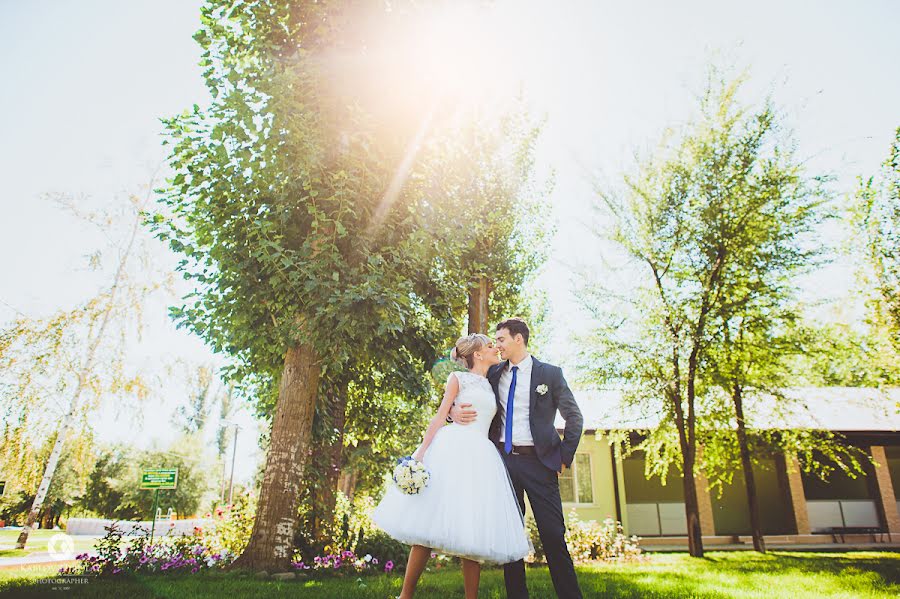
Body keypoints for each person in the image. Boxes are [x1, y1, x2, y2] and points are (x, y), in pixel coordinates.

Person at [372, 333, 532, 599]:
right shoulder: (458, 378)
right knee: (427, 524)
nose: (495, 348)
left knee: (473, 531)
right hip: (453, 449)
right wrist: (421, 453)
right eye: (490, 346)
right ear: (477, 354)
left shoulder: (493, 380)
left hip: (481, 457)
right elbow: (440, 414)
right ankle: (405, 595)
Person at [450, 318, 584, 599]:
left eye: (501, 340)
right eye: (495, 341)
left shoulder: (550, 374)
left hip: (540, 463)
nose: (496, 346)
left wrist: (564, 456)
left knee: (552, 534)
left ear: (518, 339)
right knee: (510, 534)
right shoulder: (494, 372)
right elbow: (464, 388)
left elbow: (574, 417)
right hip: (503, 463)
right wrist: (452, 411)